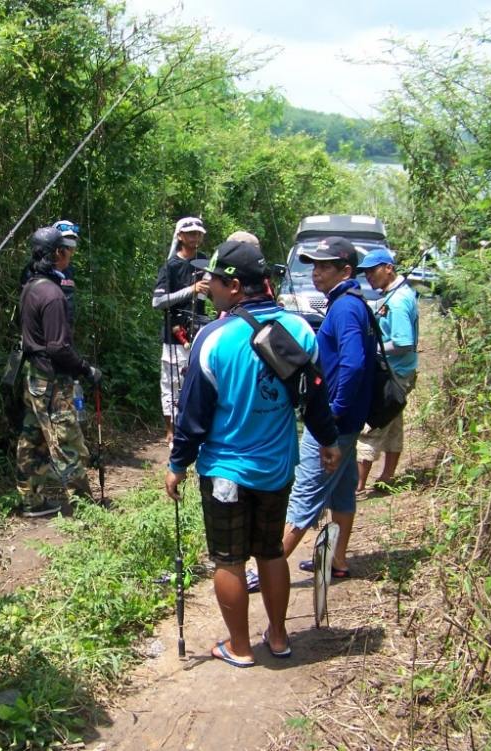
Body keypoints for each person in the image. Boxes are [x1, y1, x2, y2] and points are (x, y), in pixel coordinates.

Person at [165, 240, 339, 666]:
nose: (211, 290)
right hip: (278, 468)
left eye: (216, 284)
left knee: (229, 560)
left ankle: (240, 646)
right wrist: (329, 441)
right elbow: (315, 397)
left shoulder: (213, 338)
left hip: (226, 471)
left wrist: (177, 465)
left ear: (237, 287)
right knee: (271, 552)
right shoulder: (300, 330)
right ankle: (278, 637)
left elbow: (193, 415)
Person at [283, 236, 375, 579]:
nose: (316, 273)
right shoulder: (348, 303)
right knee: (341, 490)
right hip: (348, 420)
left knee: (305, 491)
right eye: (314, 266)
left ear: (345, 270)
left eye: (324, 266)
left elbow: (353, 364)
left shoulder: (346, 307)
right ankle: (337, 561)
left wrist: (332, 413)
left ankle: (267, 570)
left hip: (336, 422)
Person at [16, 226, 101, 517]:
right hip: (52, 380)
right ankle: (86, 510)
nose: (70, 254)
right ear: (57, 253)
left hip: (34, 377)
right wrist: (86, 369)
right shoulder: (52, 294)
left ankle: (34, 501)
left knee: (33, 439)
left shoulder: (30, 286)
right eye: (66, 249)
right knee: (67, 442)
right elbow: (58, 348)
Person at [355, 247, 419, 492]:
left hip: (395, 373)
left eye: (373, 271)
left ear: (389, 268)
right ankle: (387, 476)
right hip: (401, 372)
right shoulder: (392, 294)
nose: (369, 276)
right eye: (366, 272)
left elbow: (403, 343)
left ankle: (357, 485)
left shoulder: (399, 301)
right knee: (393, 421)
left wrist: (375, 350)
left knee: (372, 425)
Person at [152, 217, 209, 445]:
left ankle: (195, 428)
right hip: (174, 334)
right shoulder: (170, 266)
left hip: (200, 332)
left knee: (199, 381)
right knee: (172, 383)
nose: (195, 238)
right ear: (180, 236)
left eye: (198, 233)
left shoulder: (206, 262)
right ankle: (171, 431)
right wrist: (191, 290)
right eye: (190, 234)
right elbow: (158, 302)